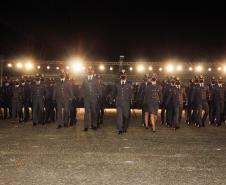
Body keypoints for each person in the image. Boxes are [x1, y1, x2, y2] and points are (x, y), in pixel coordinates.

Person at [113, 69, 133, 134]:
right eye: (122, 75)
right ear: (120, 76)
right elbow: (114, 92)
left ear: (126, 76)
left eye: (124, 75)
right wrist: (111, 98)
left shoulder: (129, 85)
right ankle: (120, 129)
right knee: (119, 116)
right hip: (119, 103)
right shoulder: (117, 84)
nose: (123, 76)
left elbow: (131, 93)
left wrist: (132, 100)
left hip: (126, 103)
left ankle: (125, 127)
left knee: (126, 116)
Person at [81, 66, 100, 131]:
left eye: (91, 70)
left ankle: (94, 125)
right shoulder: (84, 79)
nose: (89, 71)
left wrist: (98, 95)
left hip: (94, 98)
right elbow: (82, 88)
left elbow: (98, 89)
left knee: (94, 112)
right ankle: (86, 126)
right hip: (87, 98)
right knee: (86, 112)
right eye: (88, 70)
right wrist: (83, 95)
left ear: (93, 71)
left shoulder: (96, 80)